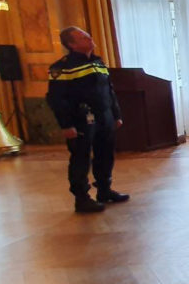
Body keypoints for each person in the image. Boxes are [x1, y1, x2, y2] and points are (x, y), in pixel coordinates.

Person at [45, 26, 128, 214]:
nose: (89, 39)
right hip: (81, 119)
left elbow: (109, 92)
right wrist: (66, 124)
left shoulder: (98, 63)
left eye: (88, 36)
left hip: (104, 116)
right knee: (81, 158)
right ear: (71, 44)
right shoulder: (63, 67)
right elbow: (56, 99)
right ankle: (82, 198)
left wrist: (116, 115)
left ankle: (104, 191)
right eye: (83, 38)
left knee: (105, 154)